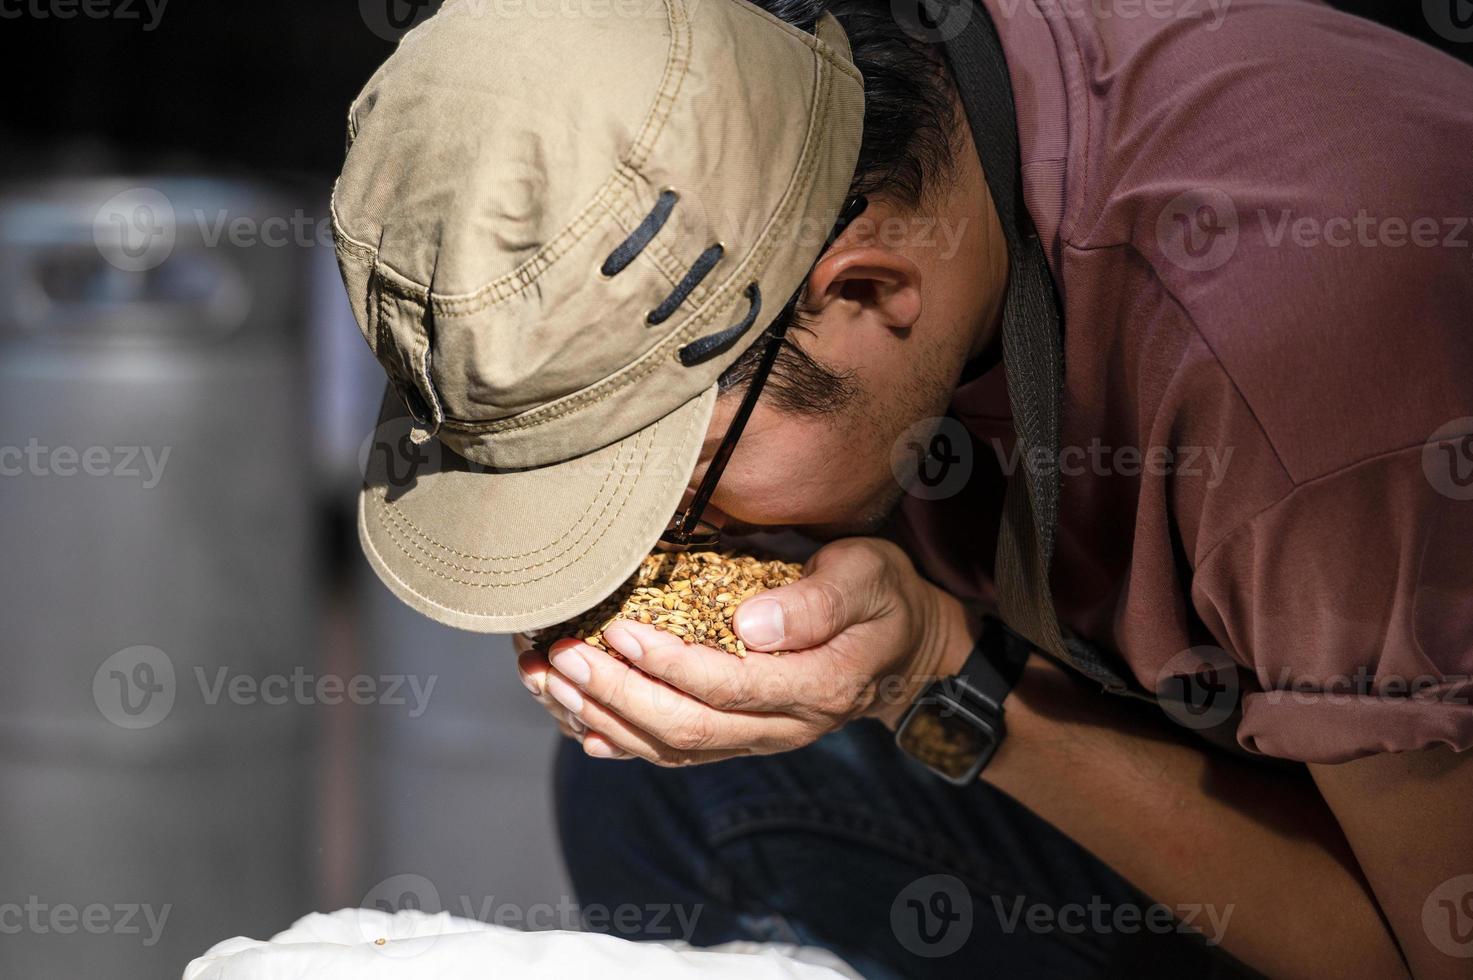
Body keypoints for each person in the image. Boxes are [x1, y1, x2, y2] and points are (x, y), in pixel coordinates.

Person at [331, 0, 1473, 975]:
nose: (660, 552)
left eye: (672, 489)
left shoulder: (1303, 392)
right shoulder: (895, 128)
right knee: (671, 783)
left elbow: (1420, 950)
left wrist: (941, 676)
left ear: (869, 291)